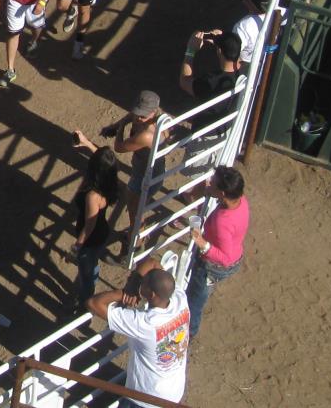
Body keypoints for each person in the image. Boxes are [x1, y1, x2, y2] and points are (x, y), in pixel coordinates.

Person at [87, 256, 189, 408]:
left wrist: (123, 293)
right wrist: (135, 282)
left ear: (152, 294)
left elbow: (93, 303)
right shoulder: (180, 299)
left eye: (144, 283)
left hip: (144, 399)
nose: (142, 282)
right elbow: (152, 262)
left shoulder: (145, 324)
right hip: (173, 393)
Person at [75, 90, 163, 249]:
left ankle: (135, 243)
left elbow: (119, 147)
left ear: (154, 112)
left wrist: (120, 127)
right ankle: (135, 235)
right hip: (144, 171)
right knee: (135, 208)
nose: (137, 118)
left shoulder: (147, 135)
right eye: (137, 113)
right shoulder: (156, 119)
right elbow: (132, 115)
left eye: (142, 116)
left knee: (135, 212)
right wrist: (115, 126)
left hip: (144, 177)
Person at [185, 165, 249, 337]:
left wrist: (202, 243)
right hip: (236, 254)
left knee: (193, 302)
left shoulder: (223, 222)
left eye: (213, 183)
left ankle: (187, 337)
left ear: (222, 194)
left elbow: (225, 259)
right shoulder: (241, 201)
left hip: (214, 268)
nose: (209, 184)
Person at [178, 30, 244, 188]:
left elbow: (185, 81)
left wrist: (190, 51)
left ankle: (197, 198)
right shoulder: (243, 73)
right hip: (226, 130)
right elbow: (233, 51)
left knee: (201, 175)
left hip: (206, 134)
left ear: (219, 51)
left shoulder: (210, 81)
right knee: (216, 169)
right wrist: (221, 40)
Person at [70, 145, 119, 310]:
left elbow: (89, 224)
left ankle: (86, 304)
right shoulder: (109, 184)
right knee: (93, 263)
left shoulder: (92, 196)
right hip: (102, 232)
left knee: (86, 276)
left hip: (90, 239)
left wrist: (77, 245)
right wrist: (85, 142)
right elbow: (104, 160)